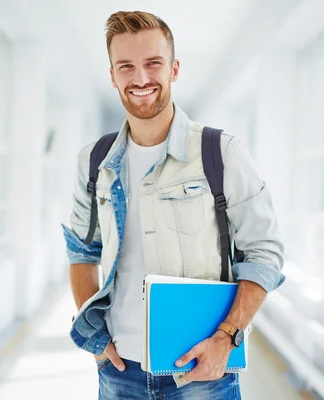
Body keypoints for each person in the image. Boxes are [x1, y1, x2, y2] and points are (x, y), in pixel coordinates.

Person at [62, 10, 285, 400]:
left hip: (204, 372)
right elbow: (82, 251)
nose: (141, 78)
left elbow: (265, 253)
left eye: (153, 63)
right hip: (119, 372)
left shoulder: (221, 152)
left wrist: (227, 338)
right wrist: (98, 342)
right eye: (126, 66)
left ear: (174, 69)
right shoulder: (93, 161)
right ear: (113, 75)